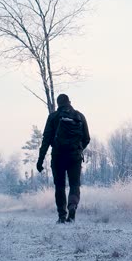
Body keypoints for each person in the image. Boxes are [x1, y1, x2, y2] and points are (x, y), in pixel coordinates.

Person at [36, 94, 90, 223]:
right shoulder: (79, 116)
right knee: (74, 184)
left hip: (58, 156)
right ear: (69, 101)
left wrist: (40, 159)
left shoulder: (53, 117)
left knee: (59, 186)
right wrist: (78, 149)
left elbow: (46, 140)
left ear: (58, 103)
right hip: (75, 157)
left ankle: (61, 216)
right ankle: (72, 207)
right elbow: (87, 138)